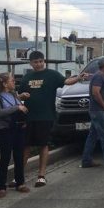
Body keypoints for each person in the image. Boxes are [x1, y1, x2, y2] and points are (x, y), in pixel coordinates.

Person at [19, 51, 87, 187]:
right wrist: (22, 96)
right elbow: (19, 95)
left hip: (46, 116)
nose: (38, 64)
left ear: (44, 61)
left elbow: (66, 81)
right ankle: (19, 176)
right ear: (30, 63)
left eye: (40, 61)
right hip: (29, 117)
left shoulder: (52, 74)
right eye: (35, 62)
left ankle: (41, 175)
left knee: (43, 145)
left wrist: (78, 78)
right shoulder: (27, 77)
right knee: (25, 146)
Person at [0, 73, 30, 198]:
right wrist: (17, 108)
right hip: (5, 129)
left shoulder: (14, 94)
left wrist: (23, 113)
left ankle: (20, 182)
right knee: (5, 157)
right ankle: (1, 186)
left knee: (19, 156)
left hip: (18, 128)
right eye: (12, 81)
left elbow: (19, 108)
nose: (14, 83)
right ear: (4, 83)